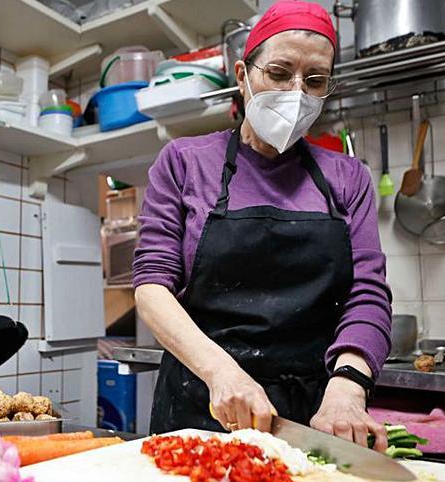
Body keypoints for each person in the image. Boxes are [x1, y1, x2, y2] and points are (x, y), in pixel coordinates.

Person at [133, 0, 391, 451]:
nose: (296, 92)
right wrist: (222, 372)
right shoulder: (184, 162)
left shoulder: (348, 177)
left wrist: (348, 386)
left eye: (314, 80)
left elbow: (367, 293)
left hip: (313, 413)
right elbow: (152, 287)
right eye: (278, 73)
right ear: (242, 75)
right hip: (203, 401)